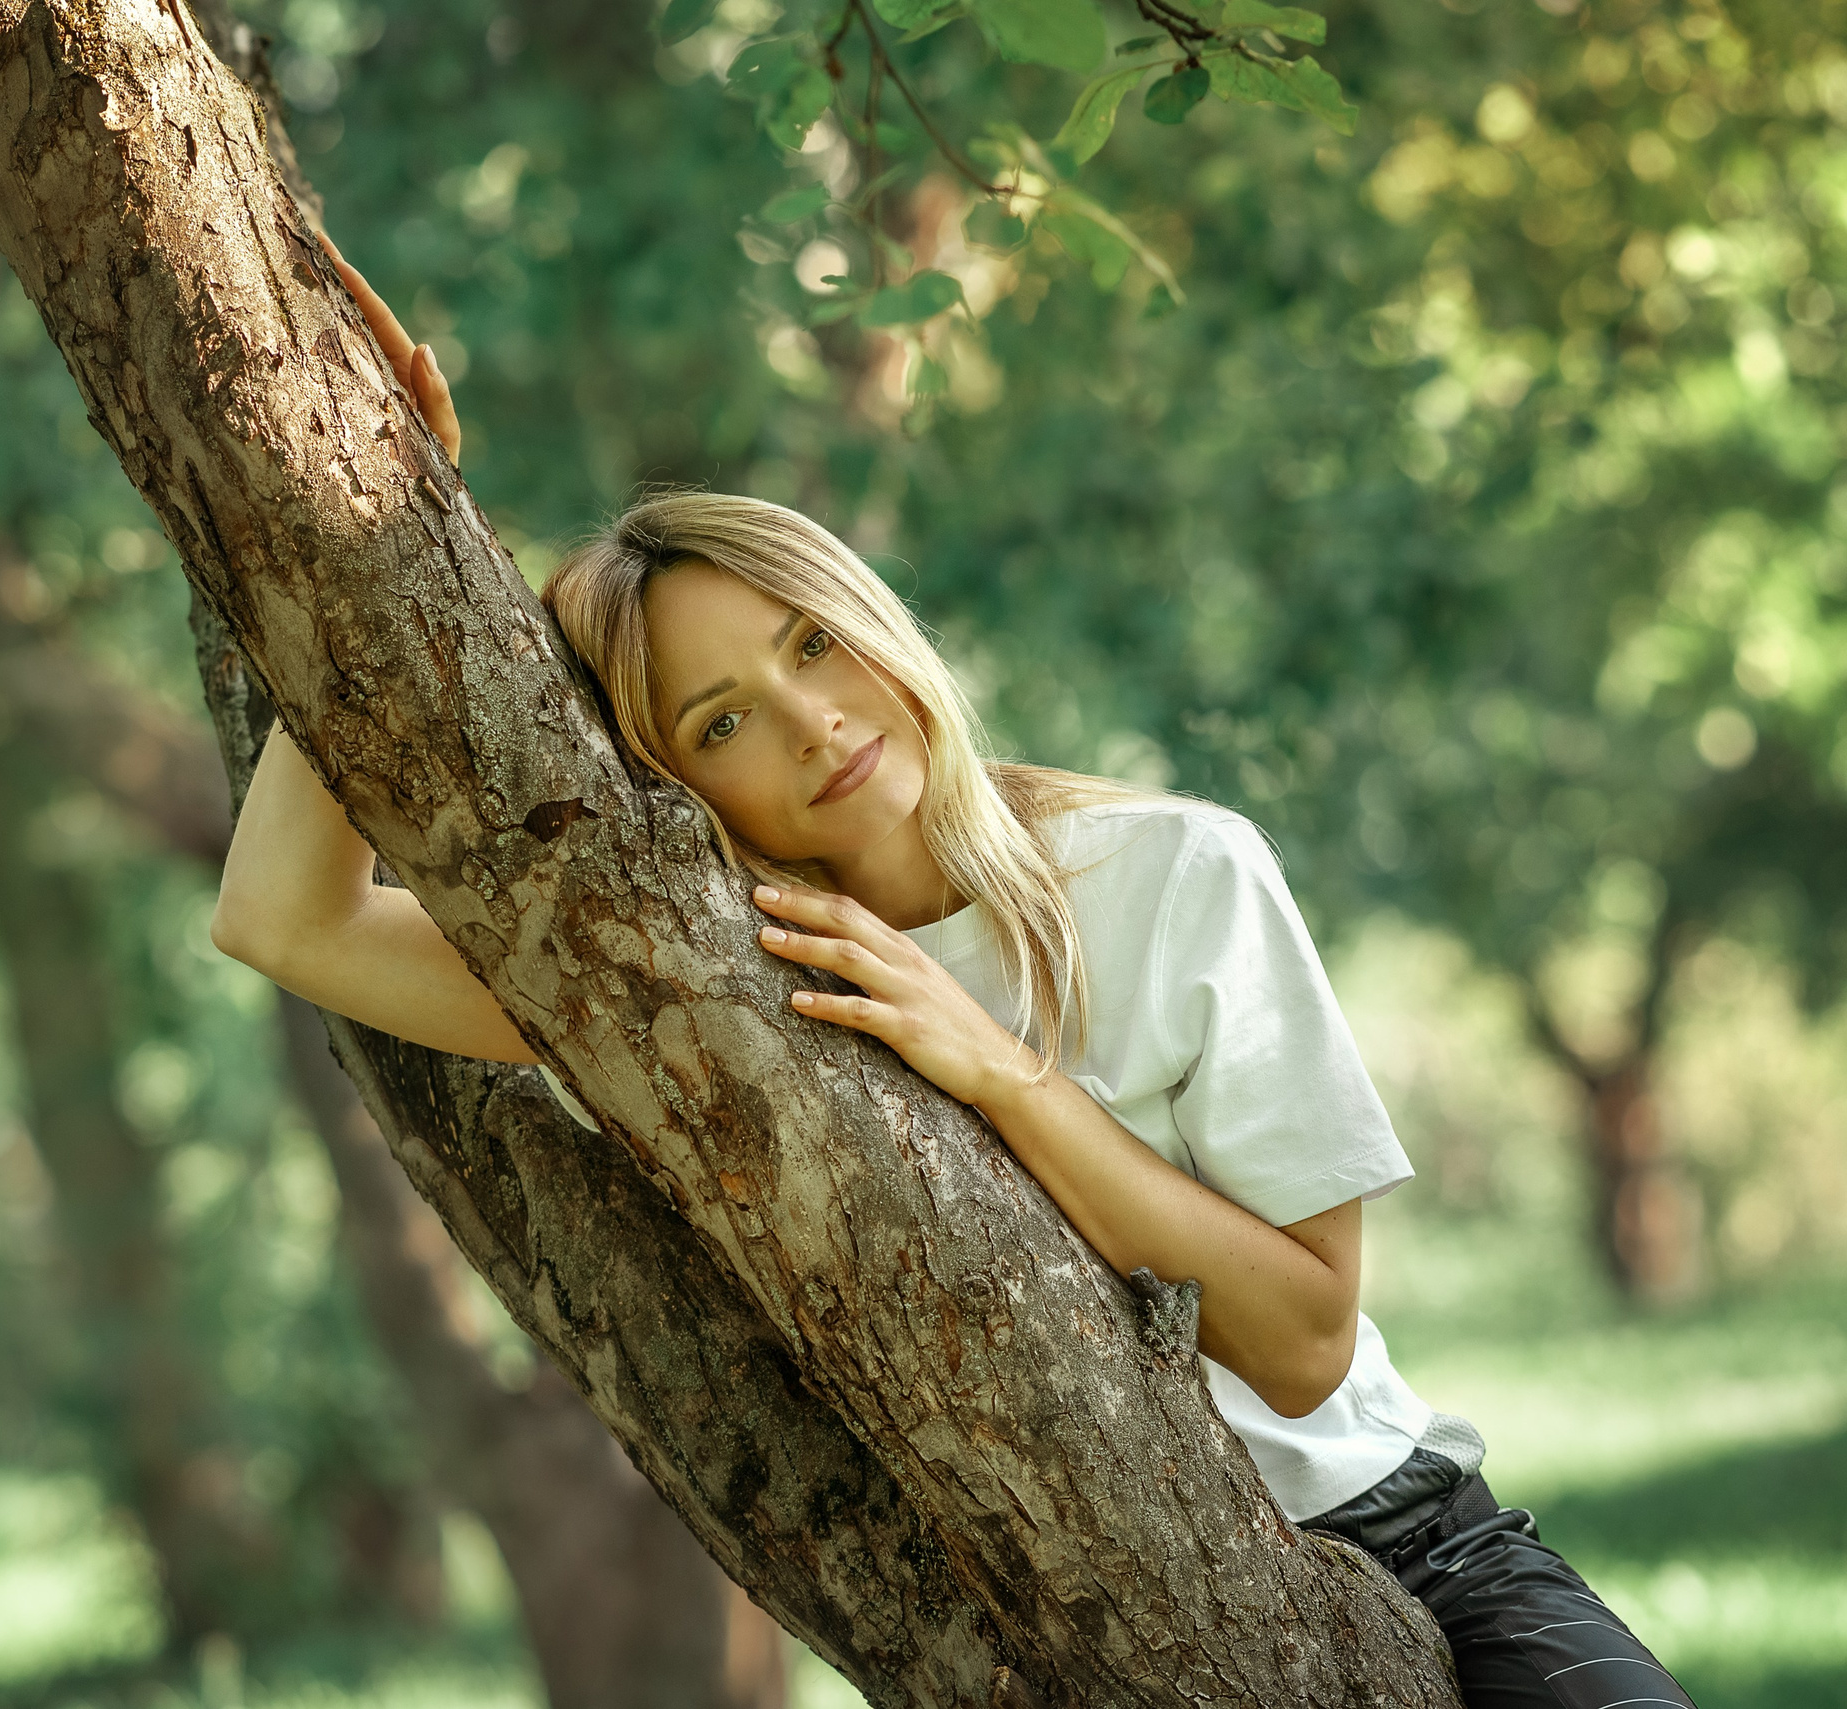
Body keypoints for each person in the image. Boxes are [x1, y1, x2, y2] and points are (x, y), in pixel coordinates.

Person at [211, 242, 1694, 1709]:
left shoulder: (1177, 875)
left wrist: (1003, 1074)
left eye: (809, 642)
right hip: (1013, 1622)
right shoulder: (712, 984)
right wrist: (385, 531)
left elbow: (1306, 1348)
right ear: (672, 780)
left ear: (867, 615)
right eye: (721, 721)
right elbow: (288, 922)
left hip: (1401, 1546)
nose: (808, 719)